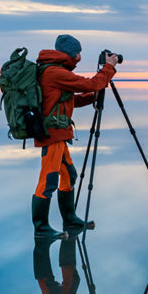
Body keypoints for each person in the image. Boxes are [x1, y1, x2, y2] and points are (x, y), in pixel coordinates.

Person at [31, 34, 118, 240]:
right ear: (68, 54)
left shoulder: (54, 71)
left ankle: (70, 220)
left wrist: (92, 98)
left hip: (59, 135)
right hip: (52, 135)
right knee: (48, 180)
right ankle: (41, 228)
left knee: (68, 175)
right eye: (77, 54)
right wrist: (109, 68)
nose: (79, 58)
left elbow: (69, 101)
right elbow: (90, 84)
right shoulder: (54, 72)